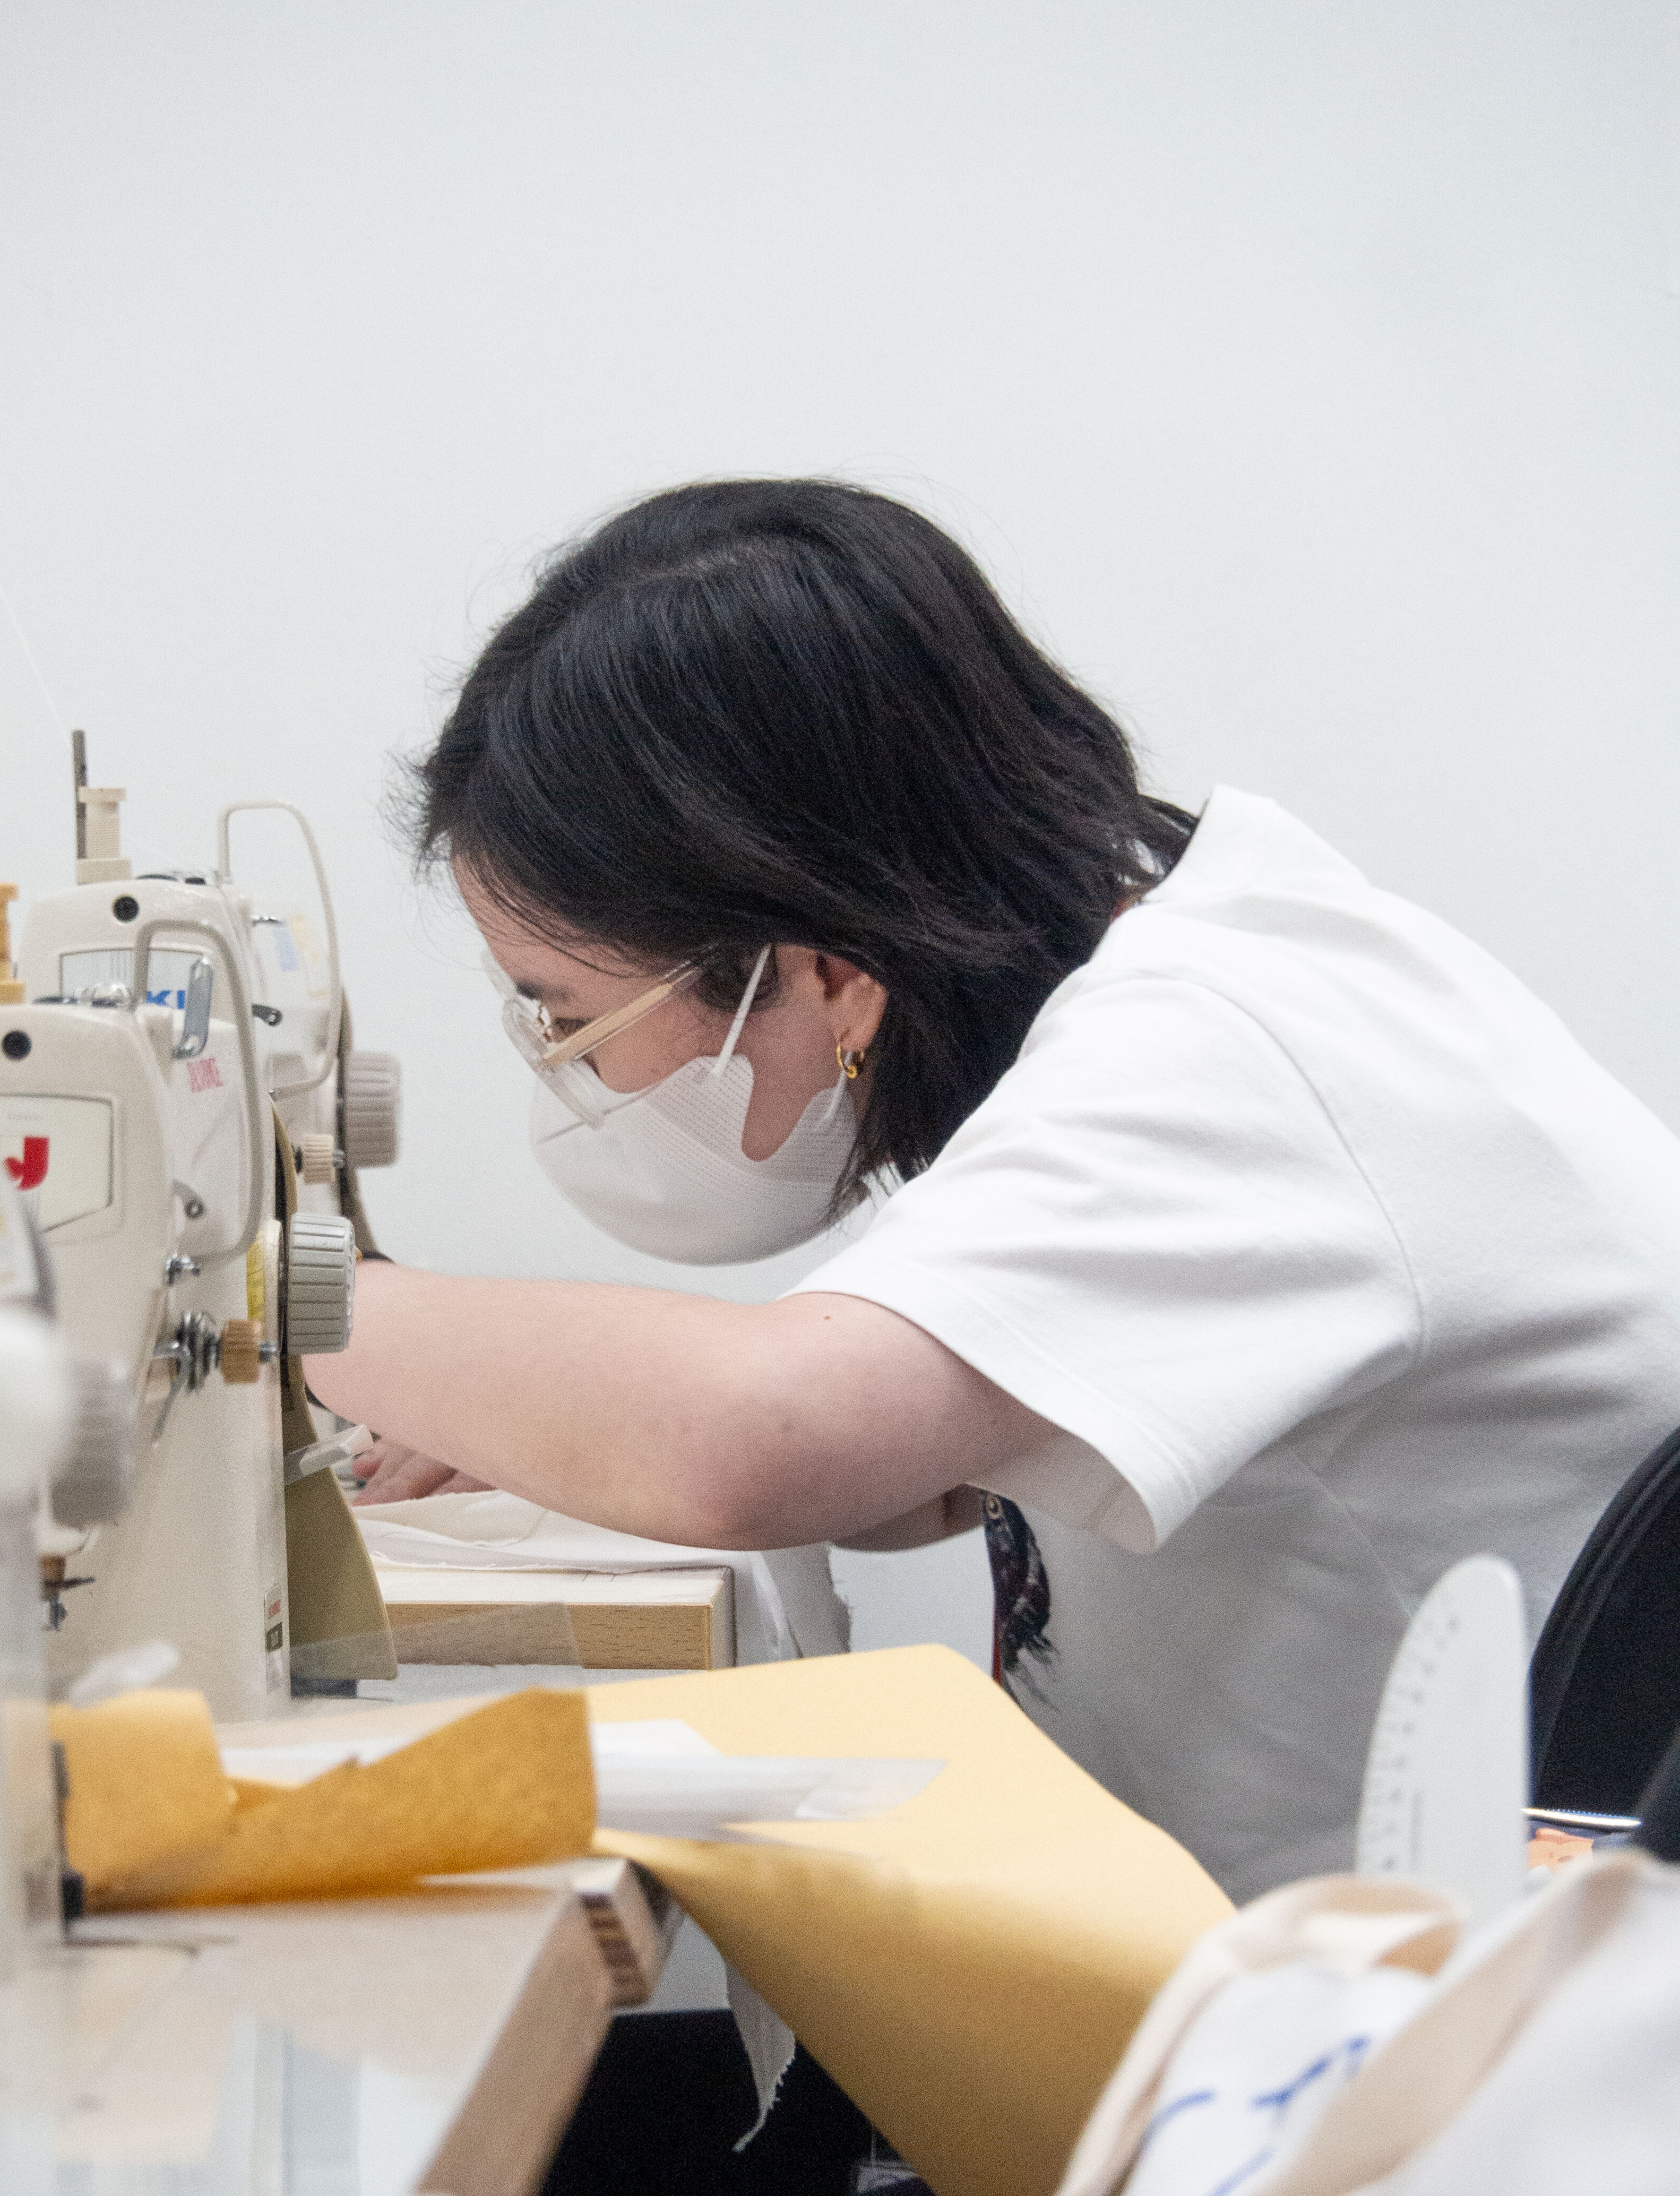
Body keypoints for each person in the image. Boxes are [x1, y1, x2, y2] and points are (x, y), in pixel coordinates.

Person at [316, 476, 1680, 1904]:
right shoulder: (1189, 967)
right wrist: (529, 1411)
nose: (559, 1064)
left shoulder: (1214, 1057)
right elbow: (931, 1476)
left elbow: (758, 1437)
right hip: (1330, 1972)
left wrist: (247, 1286)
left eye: (561, 1011)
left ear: (825, 972)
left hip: (1437, 2046)